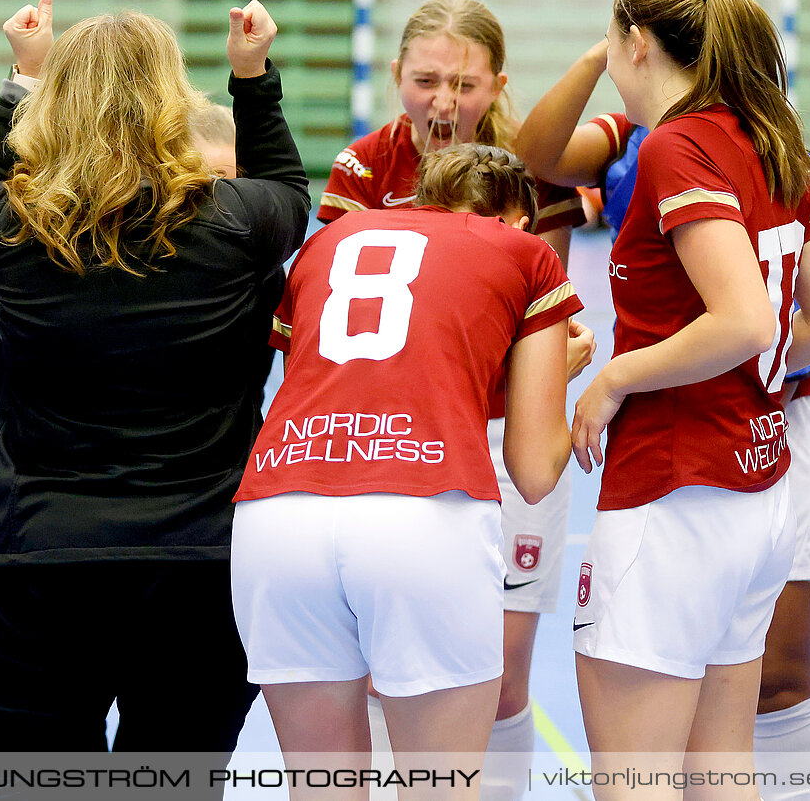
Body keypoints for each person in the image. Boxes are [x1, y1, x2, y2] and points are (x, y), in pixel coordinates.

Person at [0, 0, 308, 760]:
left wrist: (23, 76)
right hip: (200, 561)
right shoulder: (240, 221)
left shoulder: (9, 227)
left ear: (55, 106)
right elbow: (287, 186)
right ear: (173, 101)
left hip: (44, 559)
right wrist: (252, 75)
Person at [516, 43, 810, 800]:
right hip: (753, 466)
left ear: (640, 44)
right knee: (725, 755)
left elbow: (749, 321)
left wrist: (617, 379)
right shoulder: (728, 141)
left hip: (687, 461)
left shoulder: (682, 146)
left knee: (655, 765)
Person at [232, 144, 586, 801]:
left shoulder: (330, 243)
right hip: (424, 513)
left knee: (320, 790)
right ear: (512, 217)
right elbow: (534, 471)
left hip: (277, 510)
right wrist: (563, 381)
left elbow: (324, 382)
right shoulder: (522, 251)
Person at [318, 0, 587, 787]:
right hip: (392, 443)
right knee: (382, 665)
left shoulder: (532, 175)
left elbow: (542, 315)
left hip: (508, 441)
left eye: (465, 86)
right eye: (426, 80)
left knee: (500, 675)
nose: (443, 103)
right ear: (397, 72)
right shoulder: (362, 171)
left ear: (499, 86)